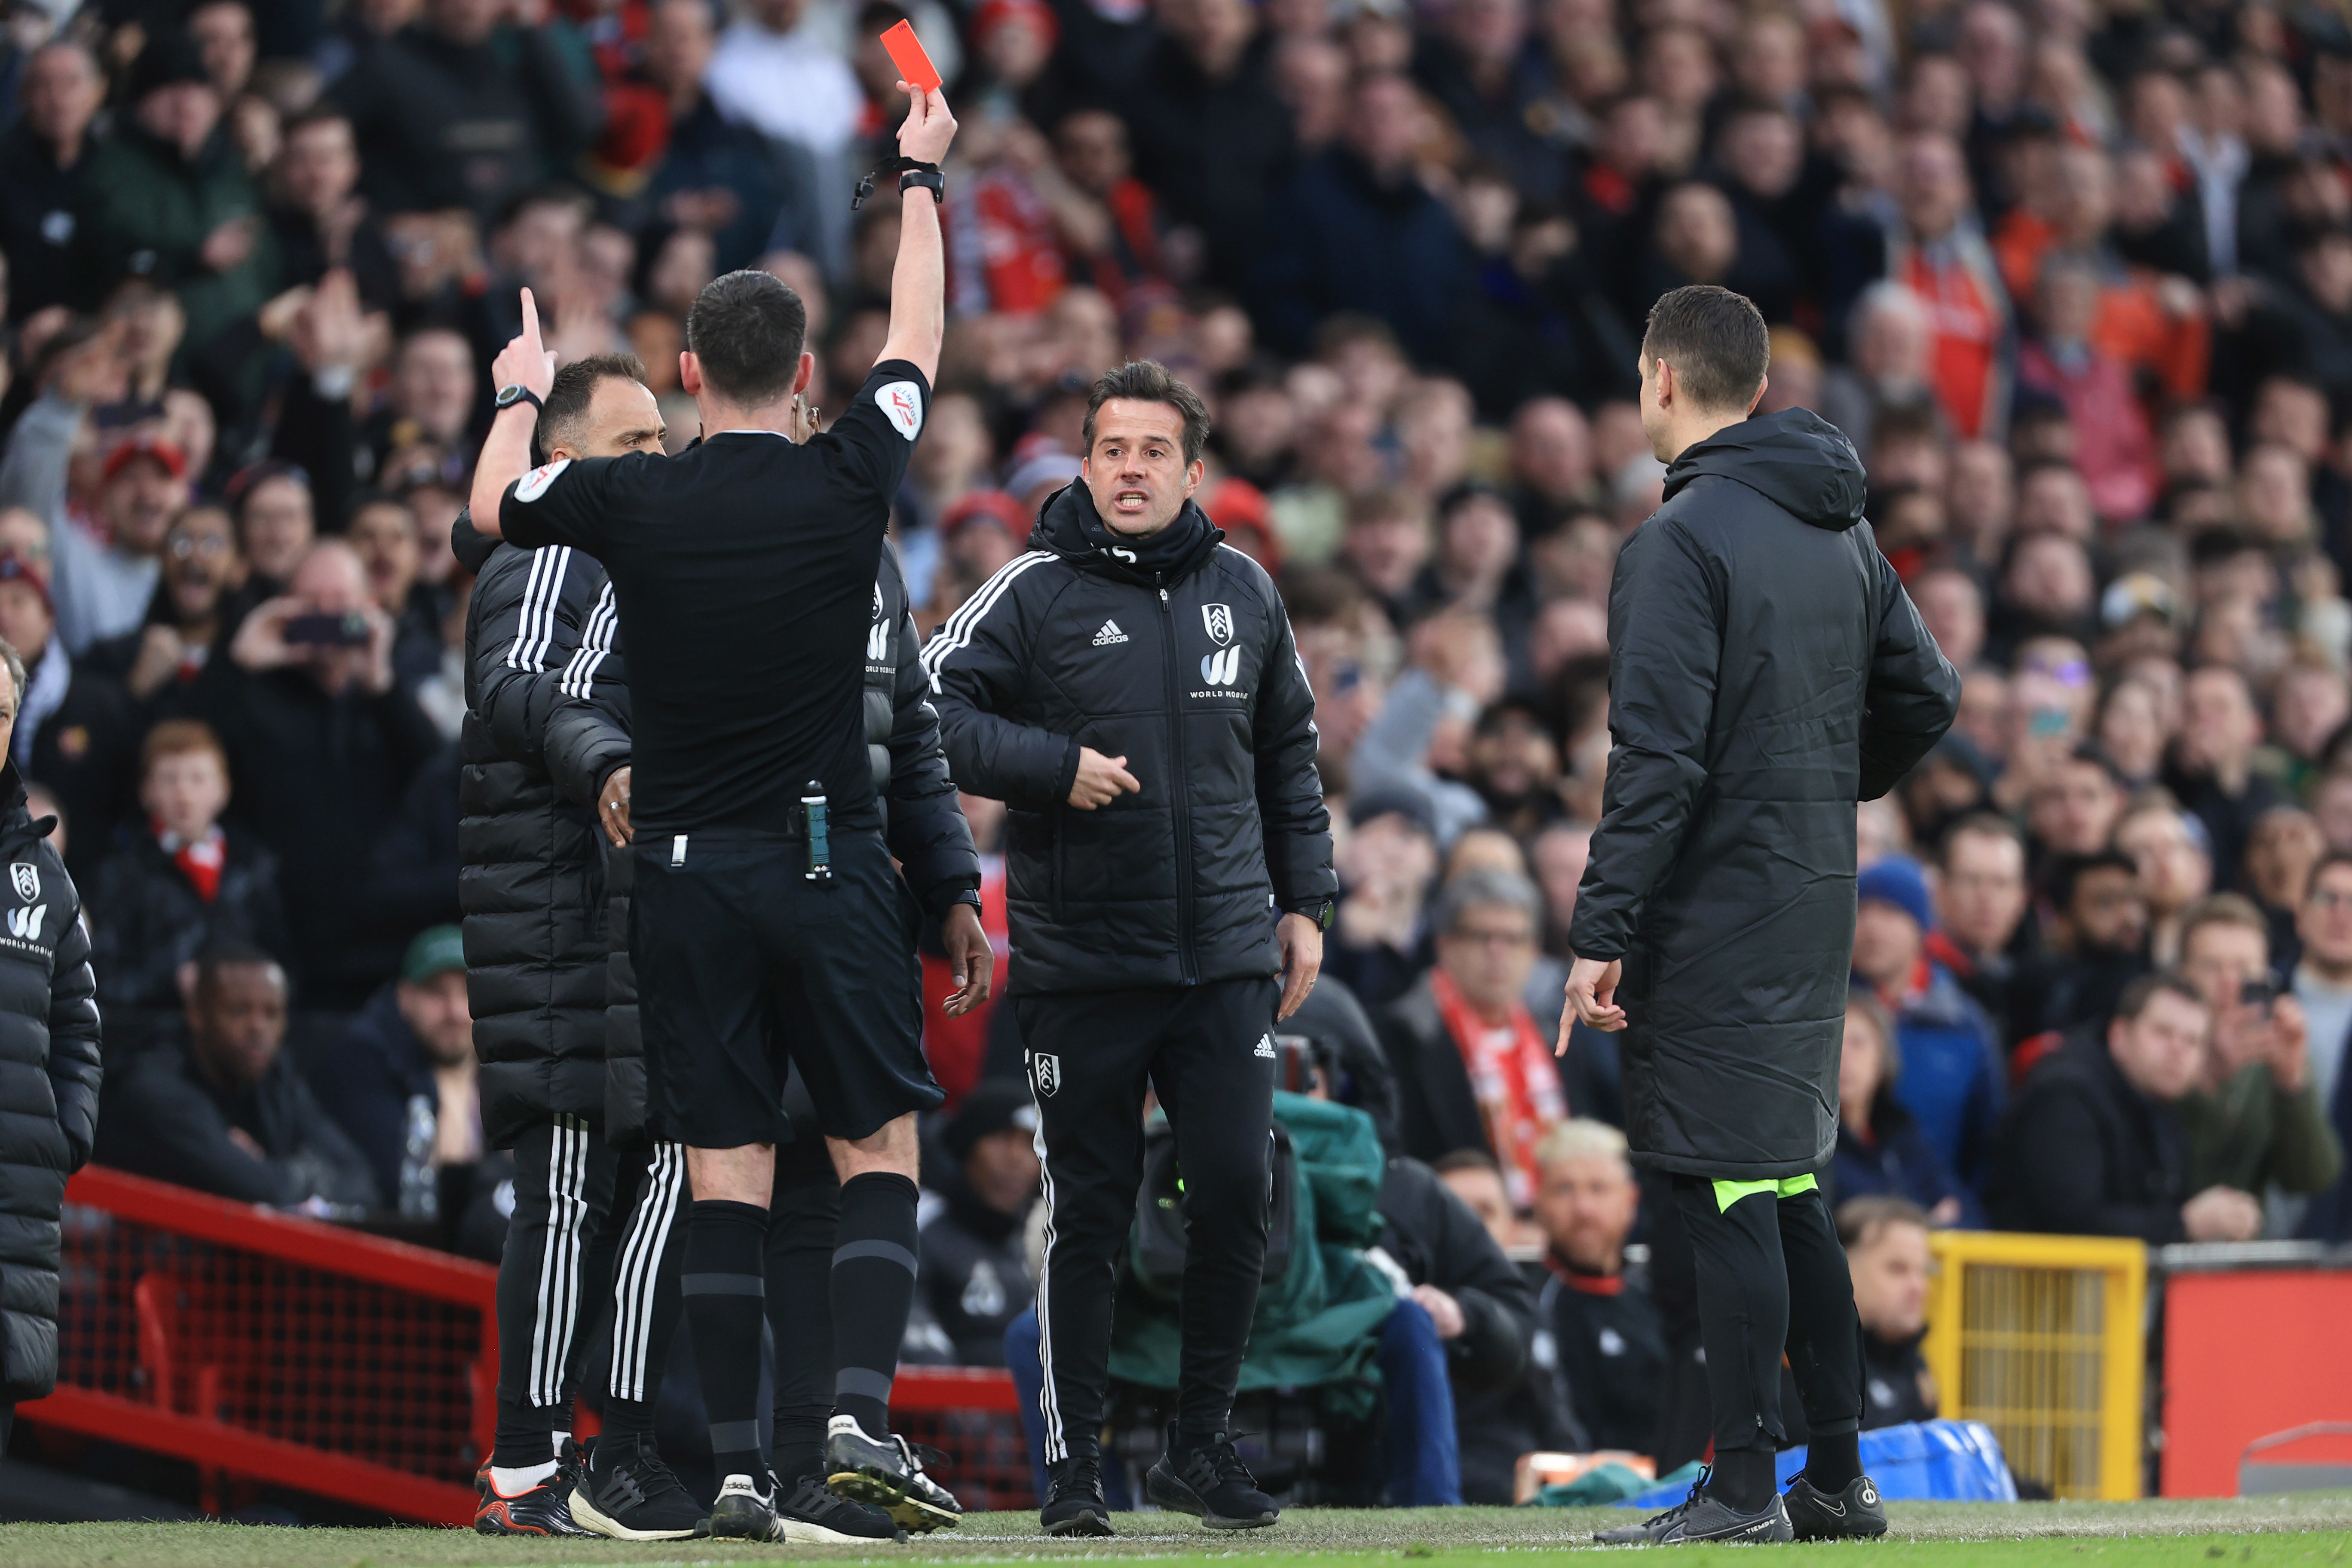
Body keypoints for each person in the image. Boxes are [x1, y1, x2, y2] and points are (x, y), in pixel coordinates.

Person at [469, 83, 986, 1543]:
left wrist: (518, 391)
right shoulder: (851, 474)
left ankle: (748, 1473)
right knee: (875, 1147)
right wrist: (919, 177)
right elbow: (921, 333)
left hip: (684, 880)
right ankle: (855, 1419)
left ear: (690, 371)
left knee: (722, 1172)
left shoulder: (631, 501)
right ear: (808, 371)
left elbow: (488, 512)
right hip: (827, 862)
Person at [1561, 285, 1959, 1544]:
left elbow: (1657, 760)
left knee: (1730, 1190)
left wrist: (1600, 927)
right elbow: (1928, 695)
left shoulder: (1677, 542)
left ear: (1661, 380)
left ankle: (1741, 1486)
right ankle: (1834, 1480)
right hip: (1810, 901)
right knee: (1788, 1190)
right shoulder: (1841, 530)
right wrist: (1814, 786)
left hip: (1716, 915)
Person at [924, 355, 1336, 1537]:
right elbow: (927, 708)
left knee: (1241, 1189)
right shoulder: (1029, 590)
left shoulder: (1247, 590)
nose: (1132, 469)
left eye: (1155, 450)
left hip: (1225, 961)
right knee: (1090, 1217)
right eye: (1112, 449)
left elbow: (1288, 757)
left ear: (1193, 471)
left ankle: (1201, 1447)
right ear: (1085, 464)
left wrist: (1306, 903)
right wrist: (1052, 767)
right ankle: (1072, 1472)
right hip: (1085, 966)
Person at [454, 352, 678, 1537]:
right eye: (631, 441)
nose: (656, 459)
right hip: (556, 912)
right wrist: (604, 760)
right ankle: (524, 1463)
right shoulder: (552, 549)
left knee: (631, 1183)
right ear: (561, 461)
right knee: (567, 1185)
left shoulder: (619, 557)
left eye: (661, 440)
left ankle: (590, 1452)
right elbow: (514, 683)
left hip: (614, 908)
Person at [0, 631, 103, 1454]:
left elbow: (79, 1020)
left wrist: (66, 1128)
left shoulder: (43, 873)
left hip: (15, 1193)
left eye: (1, 712)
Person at [95, 943, 378, 1211]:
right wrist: (301, 1173)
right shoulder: (153, 1086)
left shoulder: (275, 1079)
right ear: (197, 1013)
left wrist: (277, 1170)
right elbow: (258, 1189)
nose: (258, 1028)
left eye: (272, 1013)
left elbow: (362, 1181)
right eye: (239, 1011)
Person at [1986, 972, 2262, 1243]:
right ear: (2119, 1035)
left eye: (2192, 1041)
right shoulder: (2065, 1095)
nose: (2178, 1050)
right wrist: (2184, 1225)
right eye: (2163, 1033)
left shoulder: (2161, 1099)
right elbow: (2073, 1225)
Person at [1377, 869, 1568, 1206]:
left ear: (1535, 951)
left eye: (1514, 939)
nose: (1498, 952)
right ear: (1445, 944)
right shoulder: (1399, 1037)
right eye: (1481, 937)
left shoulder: (1558, 1037)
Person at [300, 925, 497, 1246]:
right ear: (404, 997)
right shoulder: (362, 1059)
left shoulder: (496, 1061)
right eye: (437, 993)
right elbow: (399, 1189)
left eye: (468, 993)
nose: (456, 1012)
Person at [87, 718, 288, 1011]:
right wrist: (169, 983)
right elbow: (104, 977)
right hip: (153, 1031)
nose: (183, 793)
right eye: (170, 779)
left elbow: (284, 964)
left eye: (198, 778)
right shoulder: (120, 875)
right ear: (146, 791)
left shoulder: (254, 869)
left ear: (224, 789)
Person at [2172, 894, 2344, 1210]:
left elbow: (2311, 1178)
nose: (2230, 983)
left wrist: (2291, 1083)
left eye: (2244, 968)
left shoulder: (2272, 1055)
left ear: (2266, 976)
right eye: (2212, 967)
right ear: (2182, 974)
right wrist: (2208, 1078)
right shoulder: (2156, 1042)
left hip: (2246, 1240)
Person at [1848, 854, 2004, 1189]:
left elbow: (1988, 1143)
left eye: (1890, 912)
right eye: (1861, 911)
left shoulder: (1963, 1025)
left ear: (1921, 927)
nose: (1872, 928)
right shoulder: (1826, 1014)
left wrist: (1958, 1205)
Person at [1530, 1119, 1667, 1457]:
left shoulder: (1662, 1292)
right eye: (1564, 1190)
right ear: (1539, 1202)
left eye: (1599, 1188)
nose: (1583, 1209)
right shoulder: (1529, 1299)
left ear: (1630, 1201)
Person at [916, 1078, 1039, 1367]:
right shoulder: (920, 1226)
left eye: (1031, 1144)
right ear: (967, 1147)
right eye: (1001, 1137)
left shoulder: (1035, 1247)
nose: (1016, 1159)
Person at [1832, 991, 1972, 1225]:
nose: (1843, 1057)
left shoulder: (1903, 1136)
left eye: (1858, 1043)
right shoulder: (1806, 1146)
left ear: (1883, 1059)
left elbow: (1958, 1208)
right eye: (1834, 1042)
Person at [2289, 851, 2352, 1240]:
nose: (2341, 914)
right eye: (2327, 898)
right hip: (2254, 1241)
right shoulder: (2257, 1003)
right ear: (2299, 914)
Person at [1836, 1197, 1939, 1430]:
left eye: (1925, 1271)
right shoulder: (1807, 1366)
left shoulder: (1912, 1362)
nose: (1920, 1288)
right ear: (1843, 1268)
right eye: (1897, 1269)